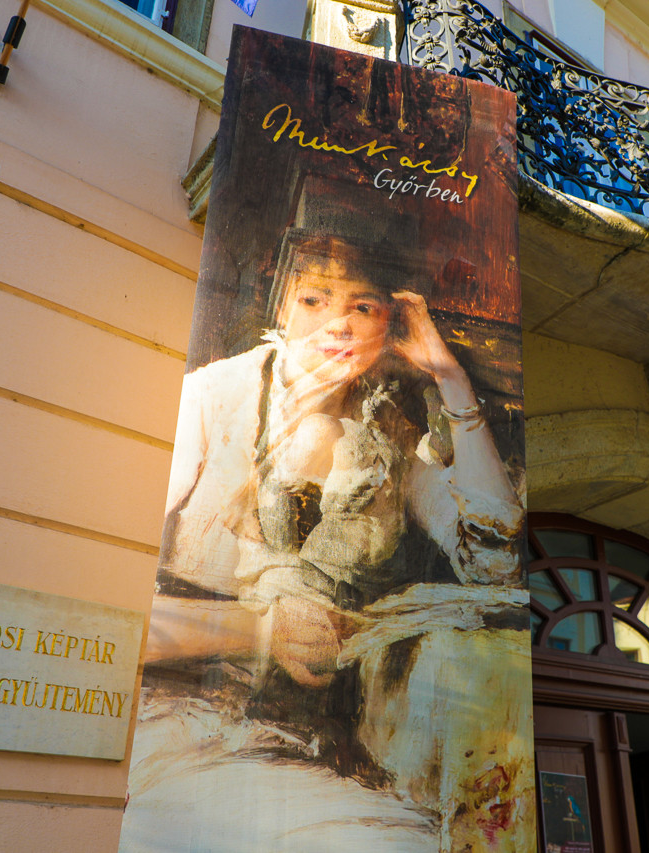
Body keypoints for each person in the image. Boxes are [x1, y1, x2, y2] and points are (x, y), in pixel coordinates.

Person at [136, 228, 525, 770]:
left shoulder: (392, 439)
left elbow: (495, 564)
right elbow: (118, 594)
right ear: (282, 308)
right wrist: (263, 630)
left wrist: (451, 380)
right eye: (314, 300)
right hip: (178, 721)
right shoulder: (213, 397)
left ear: (390, 324)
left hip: (323, 742)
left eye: (362, 307)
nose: (338, 324)